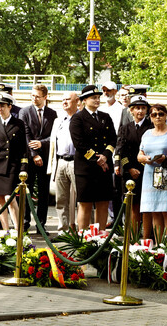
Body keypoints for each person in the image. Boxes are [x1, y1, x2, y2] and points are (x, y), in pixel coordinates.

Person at [70, 84, 116, 232]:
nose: (97, 100)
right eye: (93, 98)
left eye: (98, 97)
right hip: (86, 169)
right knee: (85, 204)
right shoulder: (78, 118)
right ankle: (83, 237)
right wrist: (97, 159)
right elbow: (79, 144)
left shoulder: (105, 117)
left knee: (103, 202)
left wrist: (106, 156)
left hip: (104, 167)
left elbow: (113, 139)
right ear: (84, 100)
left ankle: (100, 236)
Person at [0, 92, 29, 230]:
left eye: (2, 106)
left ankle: (18, 230)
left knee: (10, 198)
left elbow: (23, 148)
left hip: (12, 166)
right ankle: (6, 231)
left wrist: (23, 168)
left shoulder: (18, 124)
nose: (0, 109)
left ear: (10, 106)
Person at [138, 104, 167, 241]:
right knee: (155, 211)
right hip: (149, 174)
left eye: (161, 114)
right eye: (154, 114)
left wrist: (166, 157)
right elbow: (140, 154)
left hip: (166, 173)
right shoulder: (147, 134)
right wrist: (143, 158)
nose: (158, 117)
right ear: (150, 117)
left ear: (166, 116)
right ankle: (158, 245)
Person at [19, 84, 57, 232]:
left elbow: (53, 135)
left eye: (37, 96)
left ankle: (41, 224)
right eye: (32, 96)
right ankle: (25, 222)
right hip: (29, 158)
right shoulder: (24, 112)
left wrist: (42, 143)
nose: (34, 99)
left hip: (46, 157)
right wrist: (34, 154)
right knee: (26, 190)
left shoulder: (52, 114)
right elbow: (25, 134)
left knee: (43, 192)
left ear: (45, 97)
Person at [115, 95, 153, 236]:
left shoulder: (151, 127)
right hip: (130, 173)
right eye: (137, 108)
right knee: (133, 206)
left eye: (143, 108)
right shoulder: (125, 128)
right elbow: (121, 151)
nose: (140, 111)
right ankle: (133, 237)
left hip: (148, 170)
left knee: (148, 207)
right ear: (131, 110)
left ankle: (148, 237)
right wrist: (129, 168)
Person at [47, 91, 79, 232]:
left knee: (82, 199)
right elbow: (53, 144)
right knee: (61, 199)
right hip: (60, 161)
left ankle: (85, 231)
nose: (64, 102)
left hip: (76, 162)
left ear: (77, 101)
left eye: (68, 99)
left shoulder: (82, 119)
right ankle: (63, 230)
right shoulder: (58, 120)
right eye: (63, 100)